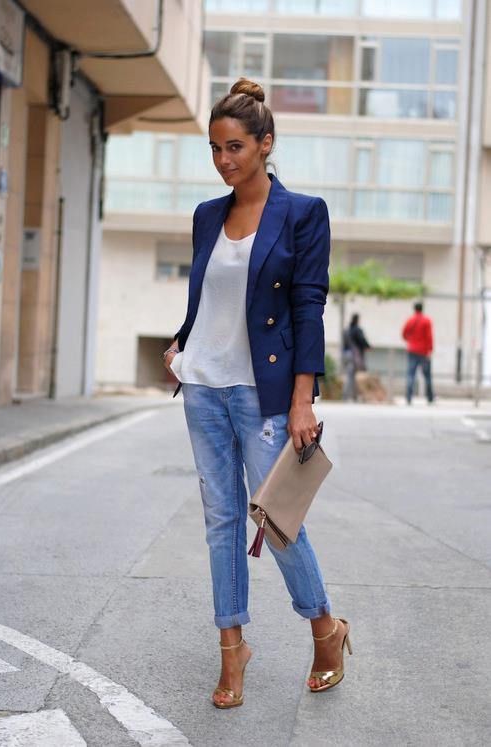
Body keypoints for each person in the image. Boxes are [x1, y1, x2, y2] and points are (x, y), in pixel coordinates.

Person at [163, 78, 351, 709]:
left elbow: (306, 306)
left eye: (236, 147)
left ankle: (324, 628)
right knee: (221, 522)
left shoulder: (302, 214)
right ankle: (232, 649)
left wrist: (303, 399)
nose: (223, 160)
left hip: (263, 394)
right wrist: (181, 347)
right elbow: (208, 298)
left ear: (266, 144)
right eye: (215, 149)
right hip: (203, 390)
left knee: (276, 520)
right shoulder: (206, 216)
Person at [402, 301, 435, 404]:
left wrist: (410, 340)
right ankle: (430, 397)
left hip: (412, 350)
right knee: (427, 376)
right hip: (424, 351)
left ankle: (408, 397)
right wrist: (430, 349)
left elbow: (404, 333)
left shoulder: (410, 320)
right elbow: (429, 336)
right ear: (422, 309)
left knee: (411, 374)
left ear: (414, 309)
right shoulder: (426, 321)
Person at [342, 313, 371, 401]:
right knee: (351, 376)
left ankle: (352, 395)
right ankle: (347, 396)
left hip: (347, 354)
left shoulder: (346, 330)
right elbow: (362, 340)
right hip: (354, 355)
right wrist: (367, 347)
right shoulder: (357, 330)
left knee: (351, 375)